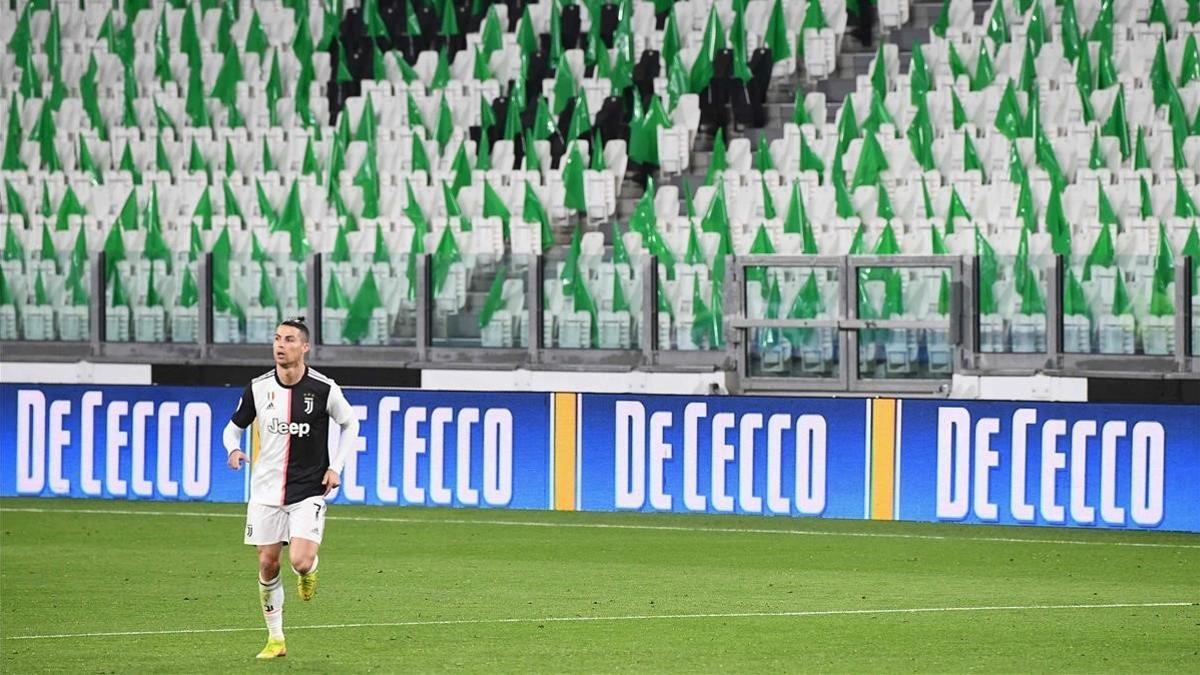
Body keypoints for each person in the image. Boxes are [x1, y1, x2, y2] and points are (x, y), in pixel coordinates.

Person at [222, 318, 359, 659]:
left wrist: (335, 466)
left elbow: (350, 423)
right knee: (268, 563)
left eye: (288, 340)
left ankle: (308, 572)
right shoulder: (257, 388)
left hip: (308, 489)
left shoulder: (324, 388)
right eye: (276, 339)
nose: (280, 345)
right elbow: (232, 429)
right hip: (265, 491)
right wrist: (233, 449)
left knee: (299, 560)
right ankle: (275, 639)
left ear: (304, 347)